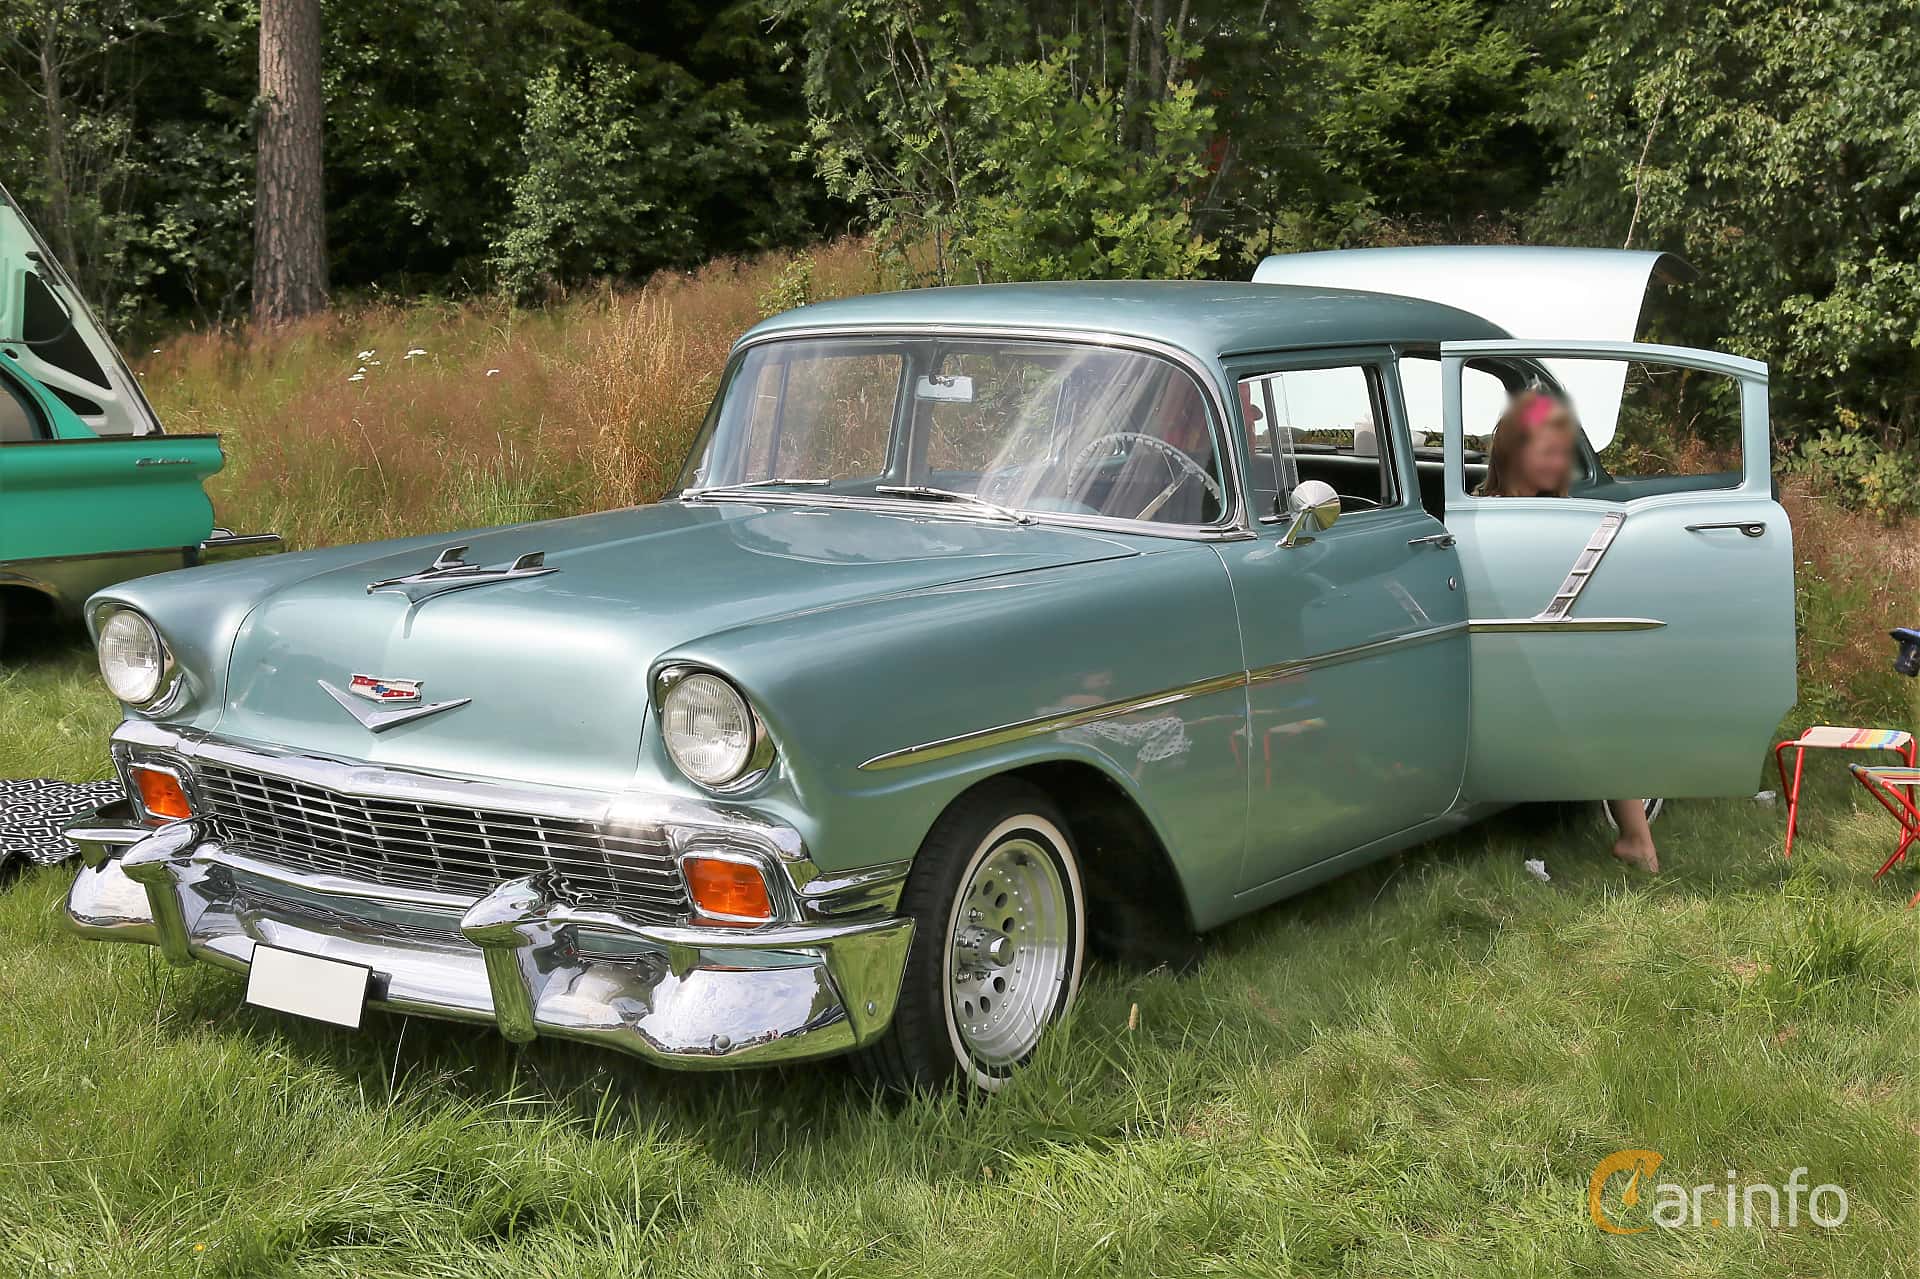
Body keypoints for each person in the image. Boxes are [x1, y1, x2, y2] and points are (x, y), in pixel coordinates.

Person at [1482, 388, 1661, 872]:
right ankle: (1636, 839)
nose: (1557, 463)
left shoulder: (1560, 513)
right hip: (1497, 657)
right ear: (1514, 452)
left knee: (1607, 691)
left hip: (1542, 652)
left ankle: (1636, 838)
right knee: (1600, 702)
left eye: (1562, 453)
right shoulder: (1485, 513)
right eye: (1547, 451)